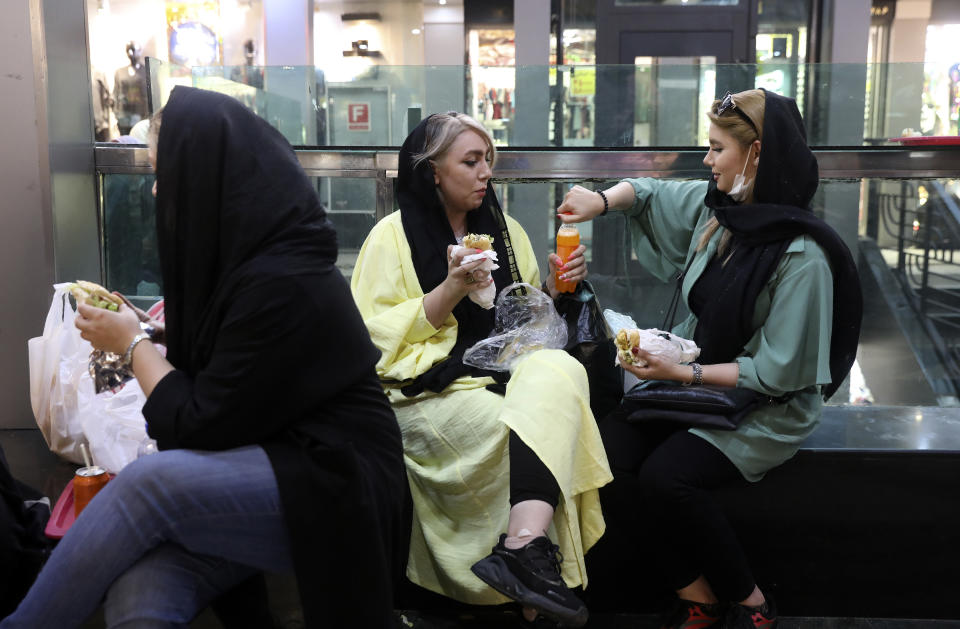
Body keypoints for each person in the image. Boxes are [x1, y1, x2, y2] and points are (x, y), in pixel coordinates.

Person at [1, 86, 406, 628]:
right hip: (277, 467)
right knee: (140, 585)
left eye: (162, 174)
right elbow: (238, 384)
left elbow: (198, 424)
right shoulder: (252, 263)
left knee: (147, 487)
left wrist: (133, 345)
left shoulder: (285, 279)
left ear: (207, 178)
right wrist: (152, 338)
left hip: (335, 482)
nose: (153, 191)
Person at [556, 89, 862, 629]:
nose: (707, 160)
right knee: (601, 457)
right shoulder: (720, 211)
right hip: (698, 385)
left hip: (766, 405)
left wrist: (680, 371)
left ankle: (751, 602)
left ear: (756, 155)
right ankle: (696, 593)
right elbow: (648, 192)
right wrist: (599, 202)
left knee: (667, 476)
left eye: (717, 148)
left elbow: (777, 373)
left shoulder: (801, 257)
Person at [350, 112, 612, 627]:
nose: (485, 173)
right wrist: (450, 288)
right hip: (423, 389)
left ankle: (523, 547)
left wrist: (561, 290)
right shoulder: (390, 237)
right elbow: (372, 343)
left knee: (557, 369)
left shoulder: (506, 233)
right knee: (515, 428)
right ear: (433, 172)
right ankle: (526, 582)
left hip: (504, 373)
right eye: (470, 161)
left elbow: (533, 326)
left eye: (488, 160)